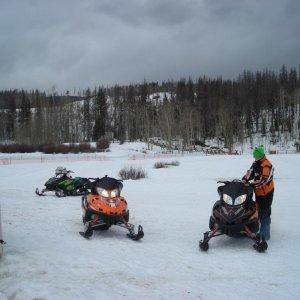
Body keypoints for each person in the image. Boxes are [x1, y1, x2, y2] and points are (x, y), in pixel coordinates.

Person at [242, 146, 274, 240]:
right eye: (254, 156)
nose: (254, 157)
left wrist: (252, 185)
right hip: (258, 192)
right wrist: (244, 179)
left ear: (260, 155)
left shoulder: (267, 165)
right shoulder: (256, 163)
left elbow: (264, 180)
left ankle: (265, 234)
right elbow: (250, 172)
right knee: (258, 208)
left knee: (265, 211)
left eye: (256, 156)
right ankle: (256, 226)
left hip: (267, 193)